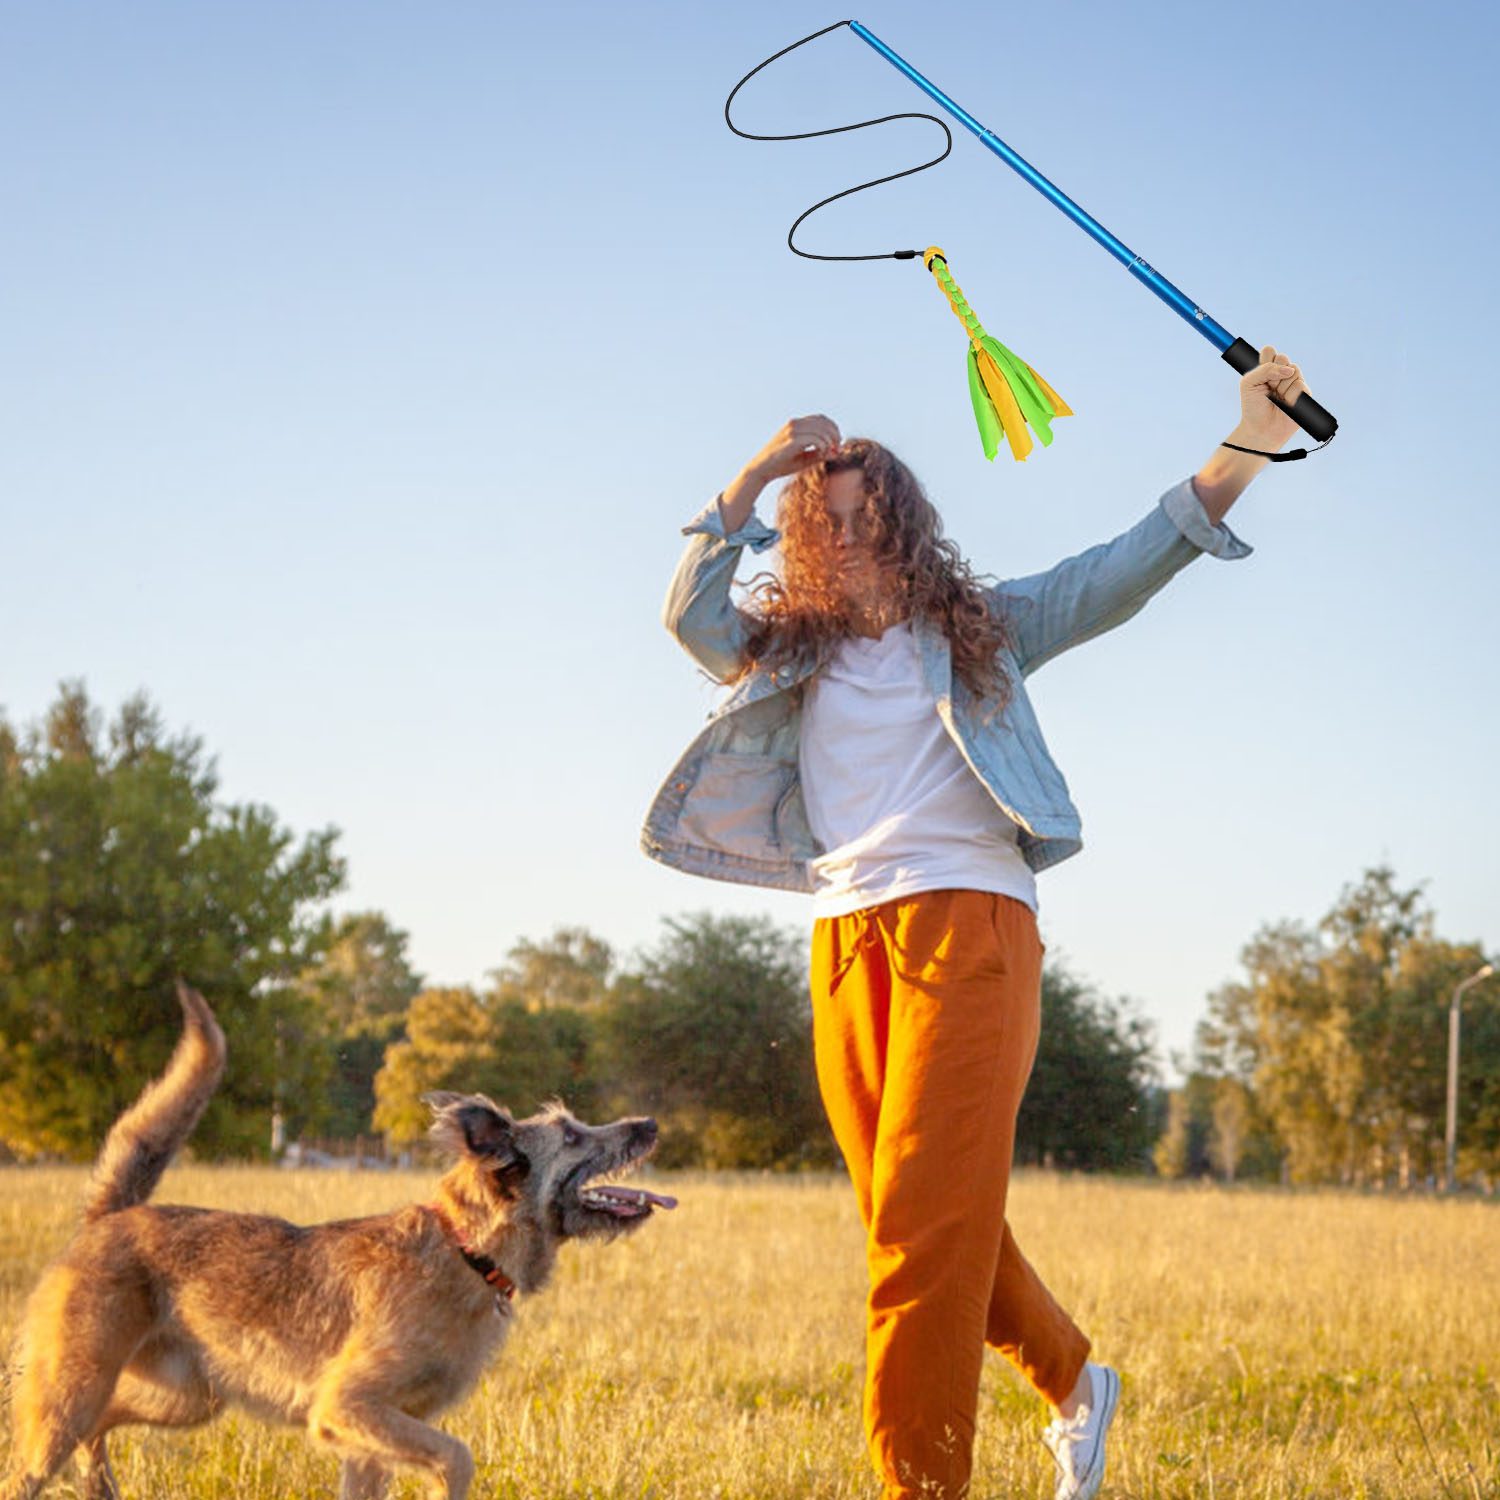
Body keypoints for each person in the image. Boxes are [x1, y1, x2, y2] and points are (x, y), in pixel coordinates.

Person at [643, 348, 1312, 1500]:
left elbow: (1126, 566)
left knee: (919, 1228)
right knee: (915, 1216)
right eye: (826, 522)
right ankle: (1073, 1380)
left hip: (970, 924)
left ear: (903, 528)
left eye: (867, 518)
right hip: (845, 937)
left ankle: (919, 1486)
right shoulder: (788, 655)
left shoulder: (985, 630)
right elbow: (688, 615)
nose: (848, 537)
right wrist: (753, 476)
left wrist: (1249, 439)